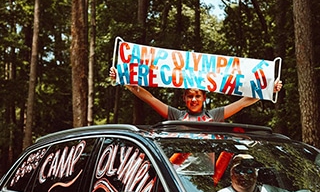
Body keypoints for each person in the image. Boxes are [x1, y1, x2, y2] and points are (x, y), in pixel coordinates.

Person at [109, 67, 282, 122]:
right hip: (178, 173)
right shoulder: (176, 115)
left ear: (204, 98)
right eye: (190, 96)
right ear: (184, 98)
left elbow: (243, 102)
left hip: (206, 176)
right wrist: (125, 80)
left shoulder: (213, 115)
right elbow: (150, 98)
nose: (193, 100)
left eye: (197, 96)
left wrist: (268, 89)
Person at [206, 154, 290, 192]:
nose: (244, 175)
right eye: (238, 170)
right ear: (231, 174)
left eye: (249, 170)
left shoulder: (269, 191)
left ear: (256, 174)